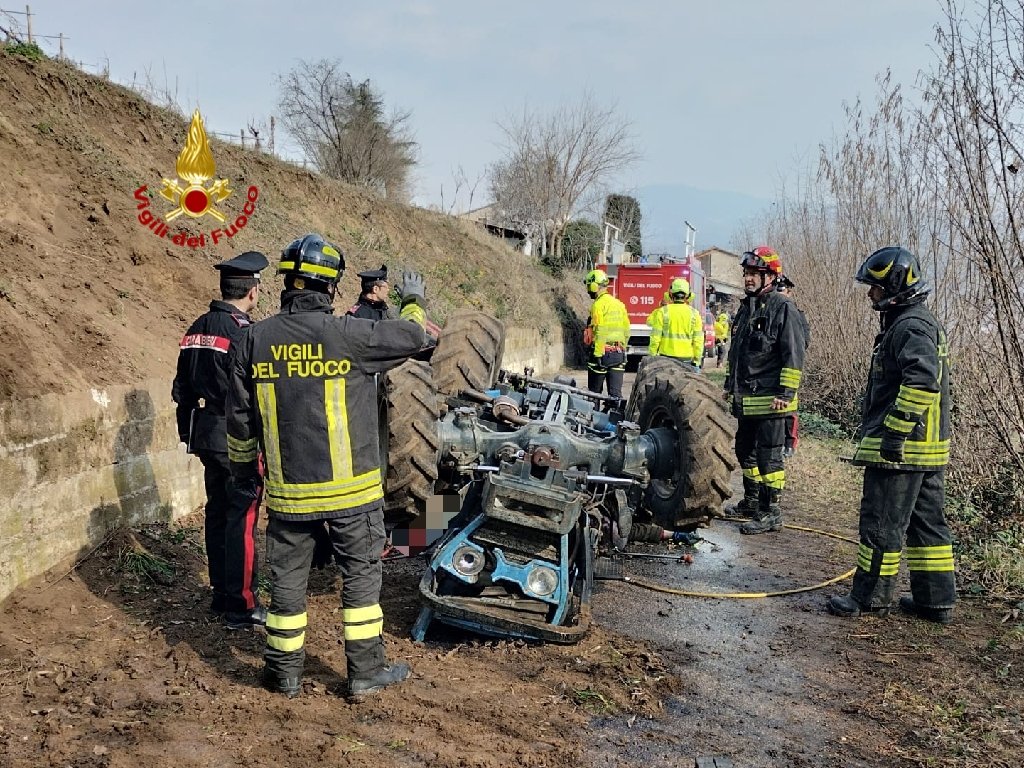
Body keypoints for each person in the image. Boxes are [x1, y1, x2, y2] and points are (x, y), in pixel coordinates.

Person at [226, 233, 428, 699]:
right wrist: (413, 301)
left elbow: (238, 423)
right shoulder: (348, 334)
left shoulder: (252, 340)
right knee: (360, 579)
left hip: (290, 498)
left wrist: (243, 475)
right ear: (332, 287)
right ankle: (364, 672)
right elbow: (413, 336)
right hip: (352, 498)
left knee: (287, 587)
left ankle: (283, 673)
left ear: (285, 283)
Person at [828, 247, 954, 624]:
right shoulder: (916, 321)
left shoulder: (910, 326)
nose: (871, 295)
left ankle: (869, 597)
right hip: (927, 450)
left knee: (882, 524)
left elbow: (921, 382)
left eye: (875, 288)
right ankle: (935, 602)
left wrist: (893, 436)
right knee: (927, 525)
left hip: (903, 450)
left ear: (895, 286)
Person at [172, 251, 269, 630]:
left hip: (205, 434)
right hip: (236, 438)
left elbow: (181, 388)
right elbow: (252, 393)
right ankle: (242, 604)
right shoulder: (243, 333)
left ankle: (221, 593)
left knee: (217, 512)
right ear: (253, 291)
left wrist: (187, 433)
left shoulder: (196, 327)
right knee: (242, 518)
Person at [722, 246, 806, 534]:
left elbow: (793, 354)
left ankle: (771, 512)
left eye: (754, 274)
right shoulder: (748, 308)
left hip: (772, 402)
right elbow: (737, 353)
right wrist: (728, 386)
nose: (748, 278)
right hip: (747, 400)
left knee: (769, 457)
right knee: (745, 450)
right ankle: (753, 501)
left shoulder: (783, 308)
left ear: (770, 276)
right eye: (746, 273)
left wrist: (786, 394)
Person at [776, 275, 811, 458]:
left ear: (789, 292)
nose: (779, 294)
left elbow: (804, 341)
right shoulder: (768, 310)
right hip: (769, 372)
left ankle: (790, 444)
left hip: (789, 366)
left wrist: (790, 352)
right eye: (777, 290)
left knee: (790, 410)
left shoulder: (796, 313)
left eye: (782, 290)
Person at [583, 269, 630, 401]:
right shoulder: (619, 304)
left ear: (594, 286)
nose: (588, 291)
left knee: (594, 395)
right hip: (618, 353)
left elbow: (601, 329)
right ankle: (615, 420)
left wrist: (597, 353)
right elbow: (626, 330)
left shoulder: (598, 305)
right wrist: (623, 348)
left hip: (602, 354)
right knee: (616, 396)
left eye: (588, 286)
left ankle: (594, 419)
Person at [647, 278, 703, 370]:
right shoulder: (694, 313)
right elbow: (698, 340)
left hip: (666, 357)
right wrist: (697, 359)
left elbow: (655, 337)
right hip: (686, 358)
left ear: (670, 294)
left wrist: (652, 355)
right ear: (688, 295)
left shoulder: (663, 311)